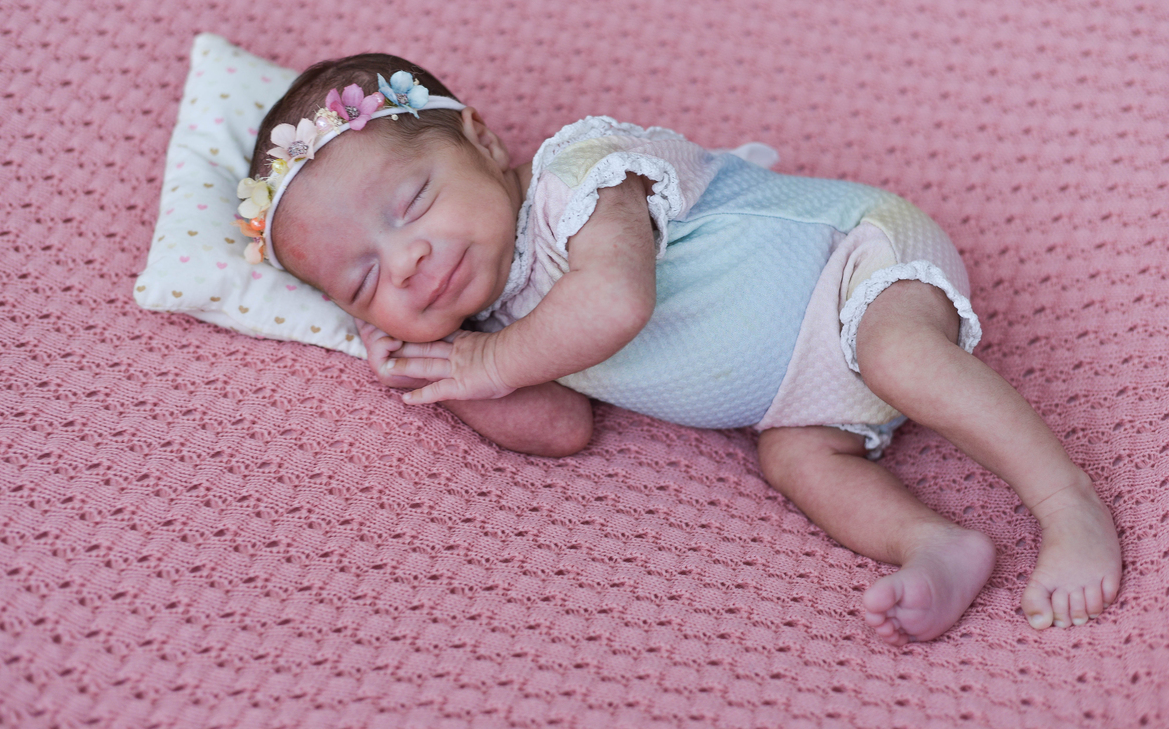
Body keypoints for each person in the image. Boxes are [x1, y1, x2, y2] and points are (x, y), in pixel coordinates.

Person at [235, 53, 1121, 646]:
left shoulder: (581, 176)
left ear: (483, 142)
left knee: (900, 358)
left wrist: (487, 364)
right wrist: (443, 376)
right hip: (797, 399)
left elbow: (616, 299)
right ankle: (936, 544)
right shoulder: (492, 332)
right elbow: (559, 428)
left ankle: (1065, 504)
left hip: (855, 260)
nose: (408, 261)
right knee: (800, 461)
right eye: (363, 281)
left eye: (413, 203)